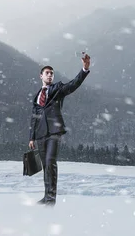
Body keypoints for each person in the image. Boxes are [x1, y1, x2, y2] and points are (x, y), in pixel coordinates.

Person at [28, 52, 91, 206]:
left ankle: (51, 199)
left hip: (54, 132)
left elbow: (73, 85)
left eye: (52, 74)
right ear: (41, 76)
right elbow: (34, 117)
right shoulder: (37, 96)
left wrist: (84, 69)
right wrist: (31, 137)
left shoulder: (58, 89)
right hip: (41, 134)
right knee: (45, 165)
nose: (50, 75)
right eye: (47, 73)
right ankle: (46, 195)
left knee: (50, 162)